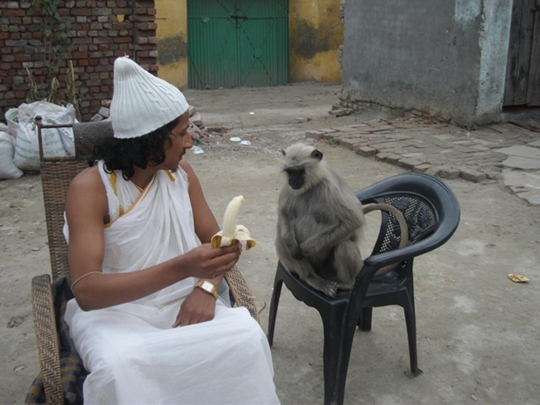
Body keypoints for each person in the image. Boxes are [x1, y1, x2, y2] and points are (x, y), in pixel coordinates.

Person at [63, 56, 280, 404]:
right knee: (119, 367)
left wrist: (207, 288)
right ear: (150, 141)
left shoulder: (182, 176)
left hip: (185, 303)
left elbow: (223, 246)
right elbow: (87, 292)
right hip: (116, 315)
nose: (191, 142)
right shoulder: (90, 189)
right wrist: (183, 267)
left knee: (247, 339)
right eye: (181, 134)